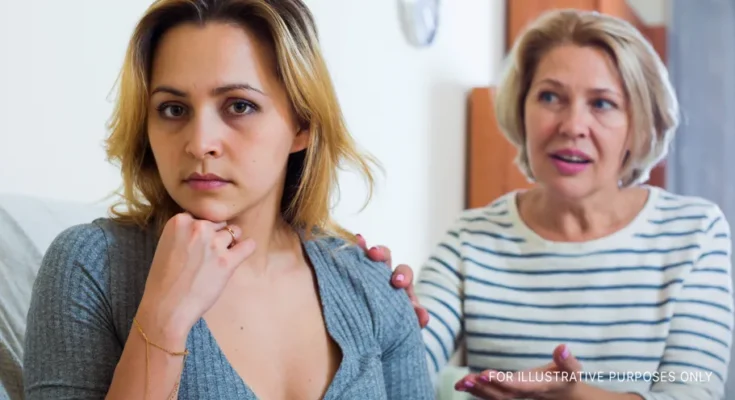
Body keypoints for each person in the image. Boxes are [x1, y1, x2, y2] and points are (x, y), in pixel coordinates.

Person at [21, 1, 434, 399]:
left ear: (302, 124)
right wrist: (164, 319)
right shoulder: (90, 266)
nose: (200, 143)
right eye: (173, 109)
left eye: (239, 105)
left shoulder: (374, 287)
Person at [362, 9, 734, 400]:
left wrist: (574, 397)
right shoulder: (470, 239)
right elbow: (408, 364)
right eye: (550, 97)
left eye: (602, 103)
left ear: (638, 126)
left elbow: (694, 391)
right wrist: (388, 318)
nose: (572, 125)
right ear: (521, 111)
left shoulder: (695, 232)